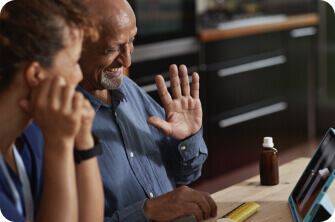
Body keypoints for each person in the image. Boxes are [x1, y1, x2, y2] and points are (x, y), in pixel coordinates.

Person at [78, 0, 217, 221]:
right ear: (73, 46)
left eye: (131, 41)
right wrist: (147, 212)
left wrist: (187, 139)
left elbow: (187, 174)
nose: (127, 60)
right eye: (111, 49)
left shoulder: (129, 89)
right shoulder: (56, 125)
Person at [0, 0, 104, 221]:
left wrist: (84, 141)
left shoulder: (36, 132)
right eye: (75, 61)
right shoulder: (51, 137)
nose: (79, 75)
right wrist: (59, 144)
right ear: (36, 75)